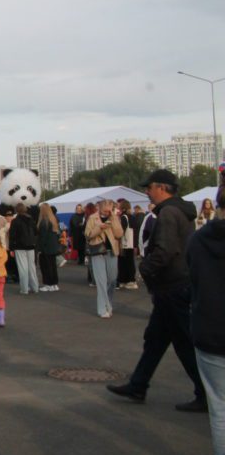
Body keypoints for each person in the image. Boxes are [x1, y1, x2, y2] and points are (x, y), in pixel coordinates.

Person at [107, 170, 205, 411]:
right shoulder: (179, 211)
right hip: (174, 285)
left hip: (172, 287)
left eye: (149, 187)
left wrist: (145, 270)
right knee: (156, 340)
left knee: (184, 344)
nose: (146, 192)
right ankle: (138, 385)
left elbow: (165, 250)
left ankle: (205, 394)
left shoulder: (169, 213)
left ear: (162, 188)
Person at [188, 187, 225, 455]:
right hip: (209, 330)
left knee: (221, 406)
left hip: (211, 330)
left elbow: (194, 279)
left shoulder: (199, 239)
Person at [84, 199, 123, 318]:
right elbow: (88, 235)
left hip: (112, 251)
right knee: (101, 281)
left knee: (112, 279)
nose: (107, 212)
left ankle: (108, 303)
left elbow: (119, 234)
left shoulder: (114, 217)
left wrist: (114, 219)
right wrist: (99, 227)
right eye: (105, 209)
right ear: (99, 208)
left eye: (110, 209)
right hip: (97, 252)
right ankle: (102, 309)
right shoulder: (92, 218)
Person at [8, 203, 39, 295]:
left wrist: (11, 248)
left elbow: (12, 236)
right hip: (31, 246)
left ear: (16, 210)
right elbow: (36, 232)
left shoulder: (15, 221)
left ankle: (24, 289)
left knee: (23, 268)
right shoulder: (31, 219)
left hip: (19, 246)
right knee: (32, 267)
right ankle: (35, 287)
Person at [36, 203, 61, 292]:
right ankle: (54, 284)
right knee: (53, 266)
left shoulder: (43, 222)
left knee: (45, 267)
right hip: (53, 247)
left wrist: (39, 249)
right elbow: (58, 234)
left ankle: (48, 284)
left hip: (45, 248)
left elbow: (43, 237)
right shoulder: (54, 220)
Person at [117, 200, 138, 290]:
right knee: (130, 262)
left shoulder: (123, 217)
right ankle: (130, 280)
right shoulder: (132, 217)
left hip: (125, 243)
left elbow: (121, 231)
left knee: (123, 262)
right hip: (131, 243)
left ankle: (127, 280)